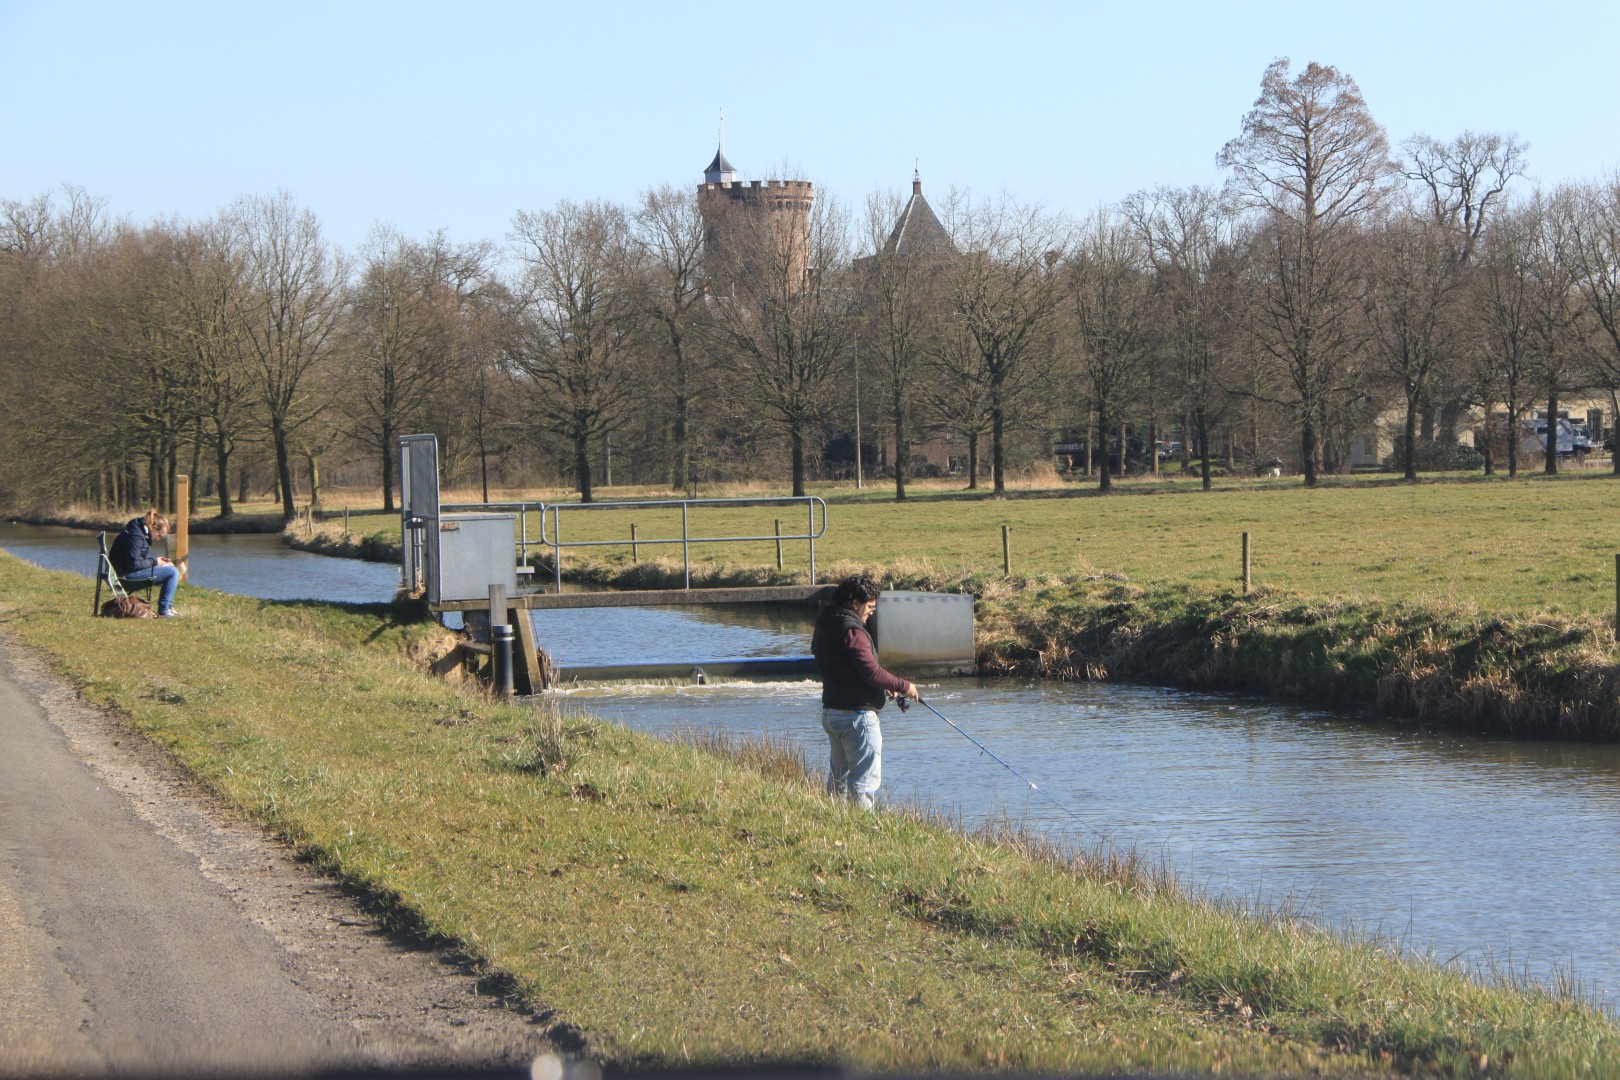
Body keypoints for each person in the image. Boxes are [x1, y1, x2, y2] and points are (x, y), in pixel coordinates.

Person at [811, 573, 919, 809]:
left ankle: (835, 823)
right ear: (854, 602)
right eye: (870, 606)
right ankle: (861, 831)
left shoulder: (826, 624)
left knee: (838, 780)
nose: (872, 611)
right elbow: (871, 672)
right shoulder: (854, 632)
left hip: (832, 713)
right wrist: (904, 686)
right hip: (856, 718)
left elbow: (847, 668)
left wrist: (883, 684)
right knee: (863, 782)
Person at [109, 509, 181, 617]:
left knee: (170, 567)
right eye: (159, 535)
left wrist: (157, 561)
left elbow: (137, 557)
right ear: (155, 528)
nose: (157, 539)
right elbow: (134, 565)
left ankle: (168, 607)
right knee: (173, 572)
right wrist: (155, 561)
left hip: (124, 572)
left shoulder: (138, 531)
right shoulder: (136, 537)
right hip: (125, 578)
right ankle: (164, 610)